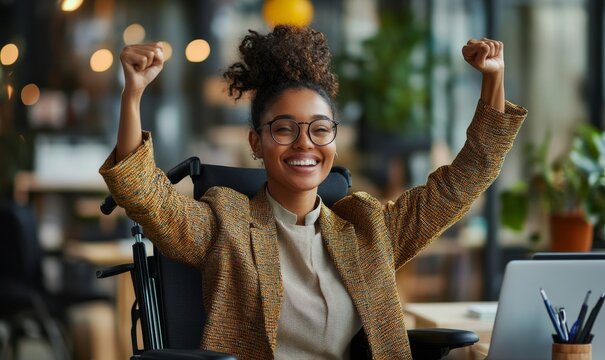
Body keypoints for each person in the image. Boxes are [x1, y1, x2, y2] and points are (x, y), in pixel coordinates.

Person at [100, 25, 527, 360]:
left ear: (334, 142)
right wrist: (132, 95)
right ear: (256, 143)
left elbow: (465, 180)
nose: (305, 144)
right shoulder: (225, 222)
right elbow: (144, 195)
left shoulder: (368, 228)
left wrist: (494, 79)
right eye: (284, 129)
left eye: (320, 129)